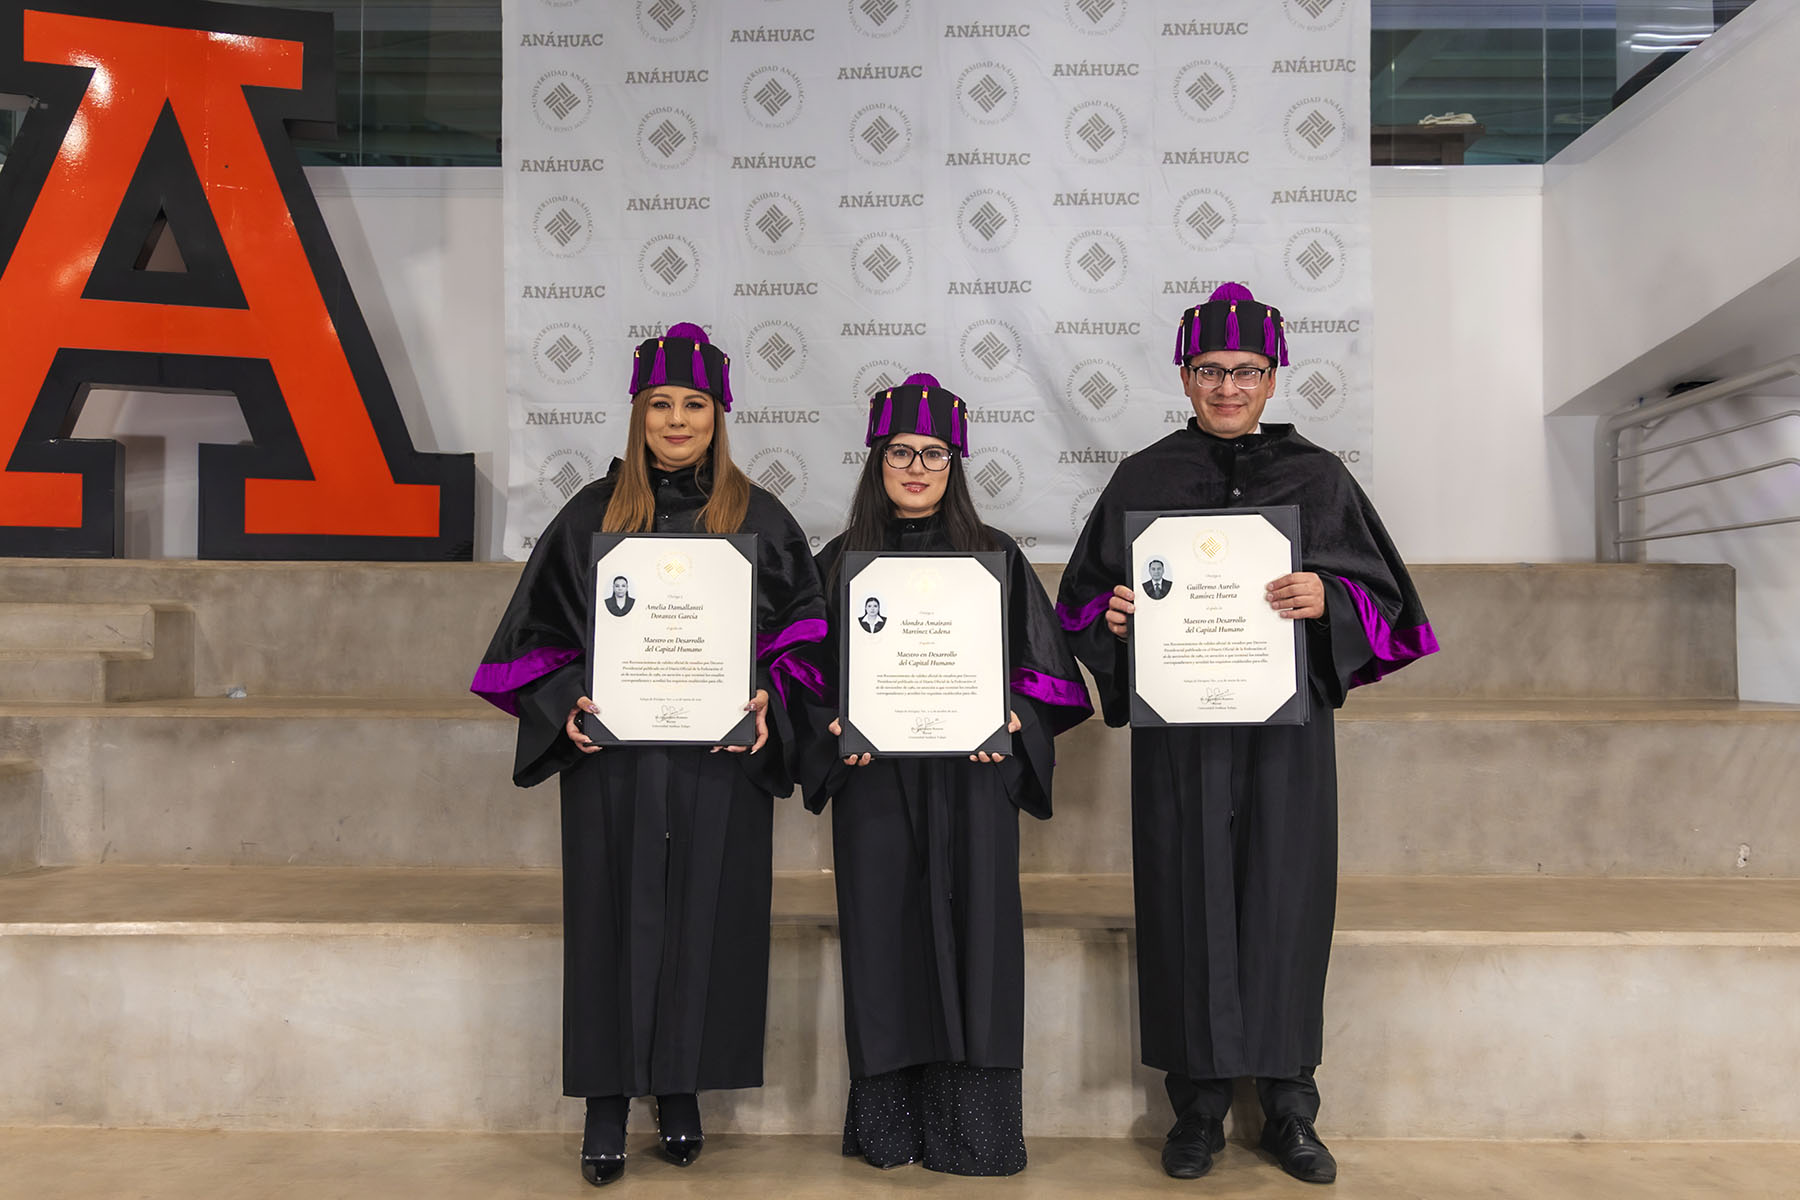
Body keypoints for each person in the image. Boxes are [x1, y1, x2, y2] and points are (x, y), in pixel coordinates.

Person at [1057, 284, 1437, 1185]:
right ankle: (1196, 1109)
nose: (1228, 387)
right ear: (1184, 375)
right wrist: (1112, 621)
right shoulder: (1143, 479)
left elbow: (1391, 609)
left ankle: (1290, 1106)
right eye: (1210, 370)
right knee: (1183, 904)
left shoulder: (1320, 478)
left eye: (1246, 371)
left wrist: (1330, 599)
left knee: (1285, 902)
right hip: (1180, 740)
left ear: (1273, 377)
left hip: (1283, 738)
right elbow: (1079, 604)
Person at [470, 323, 827, 1188]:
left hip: (717, 757)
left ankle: (679, 1087)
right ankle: (605, 1099)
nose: (676, 420)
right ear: (638, 413)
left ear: (719, 415)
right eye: (660, 403)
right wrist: (567, 699)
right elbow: (532, 639)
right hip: (616, 757)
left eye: (694, 404)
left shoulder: (759, 517)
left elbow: (807, 637)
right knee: (609, 919)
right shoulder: (590, 515)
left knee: (710, 917)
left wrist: (770, 696)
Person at [794, 373, 1093, 1177]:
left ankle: (975, 1134)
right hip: (876, 787)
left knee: (977, 945)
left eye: (933, 453)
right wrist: (831, 728)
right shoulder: (838, 563)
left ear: (955, 463)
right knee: (883, 944)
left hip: (972, 783)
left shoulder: (996, 557)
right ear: (877, 460)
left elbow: (1047, 675)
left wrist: (1015, 718)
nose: (917, 468)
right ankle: (889, 1130)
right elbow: (803, 680)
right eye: (901, 453)